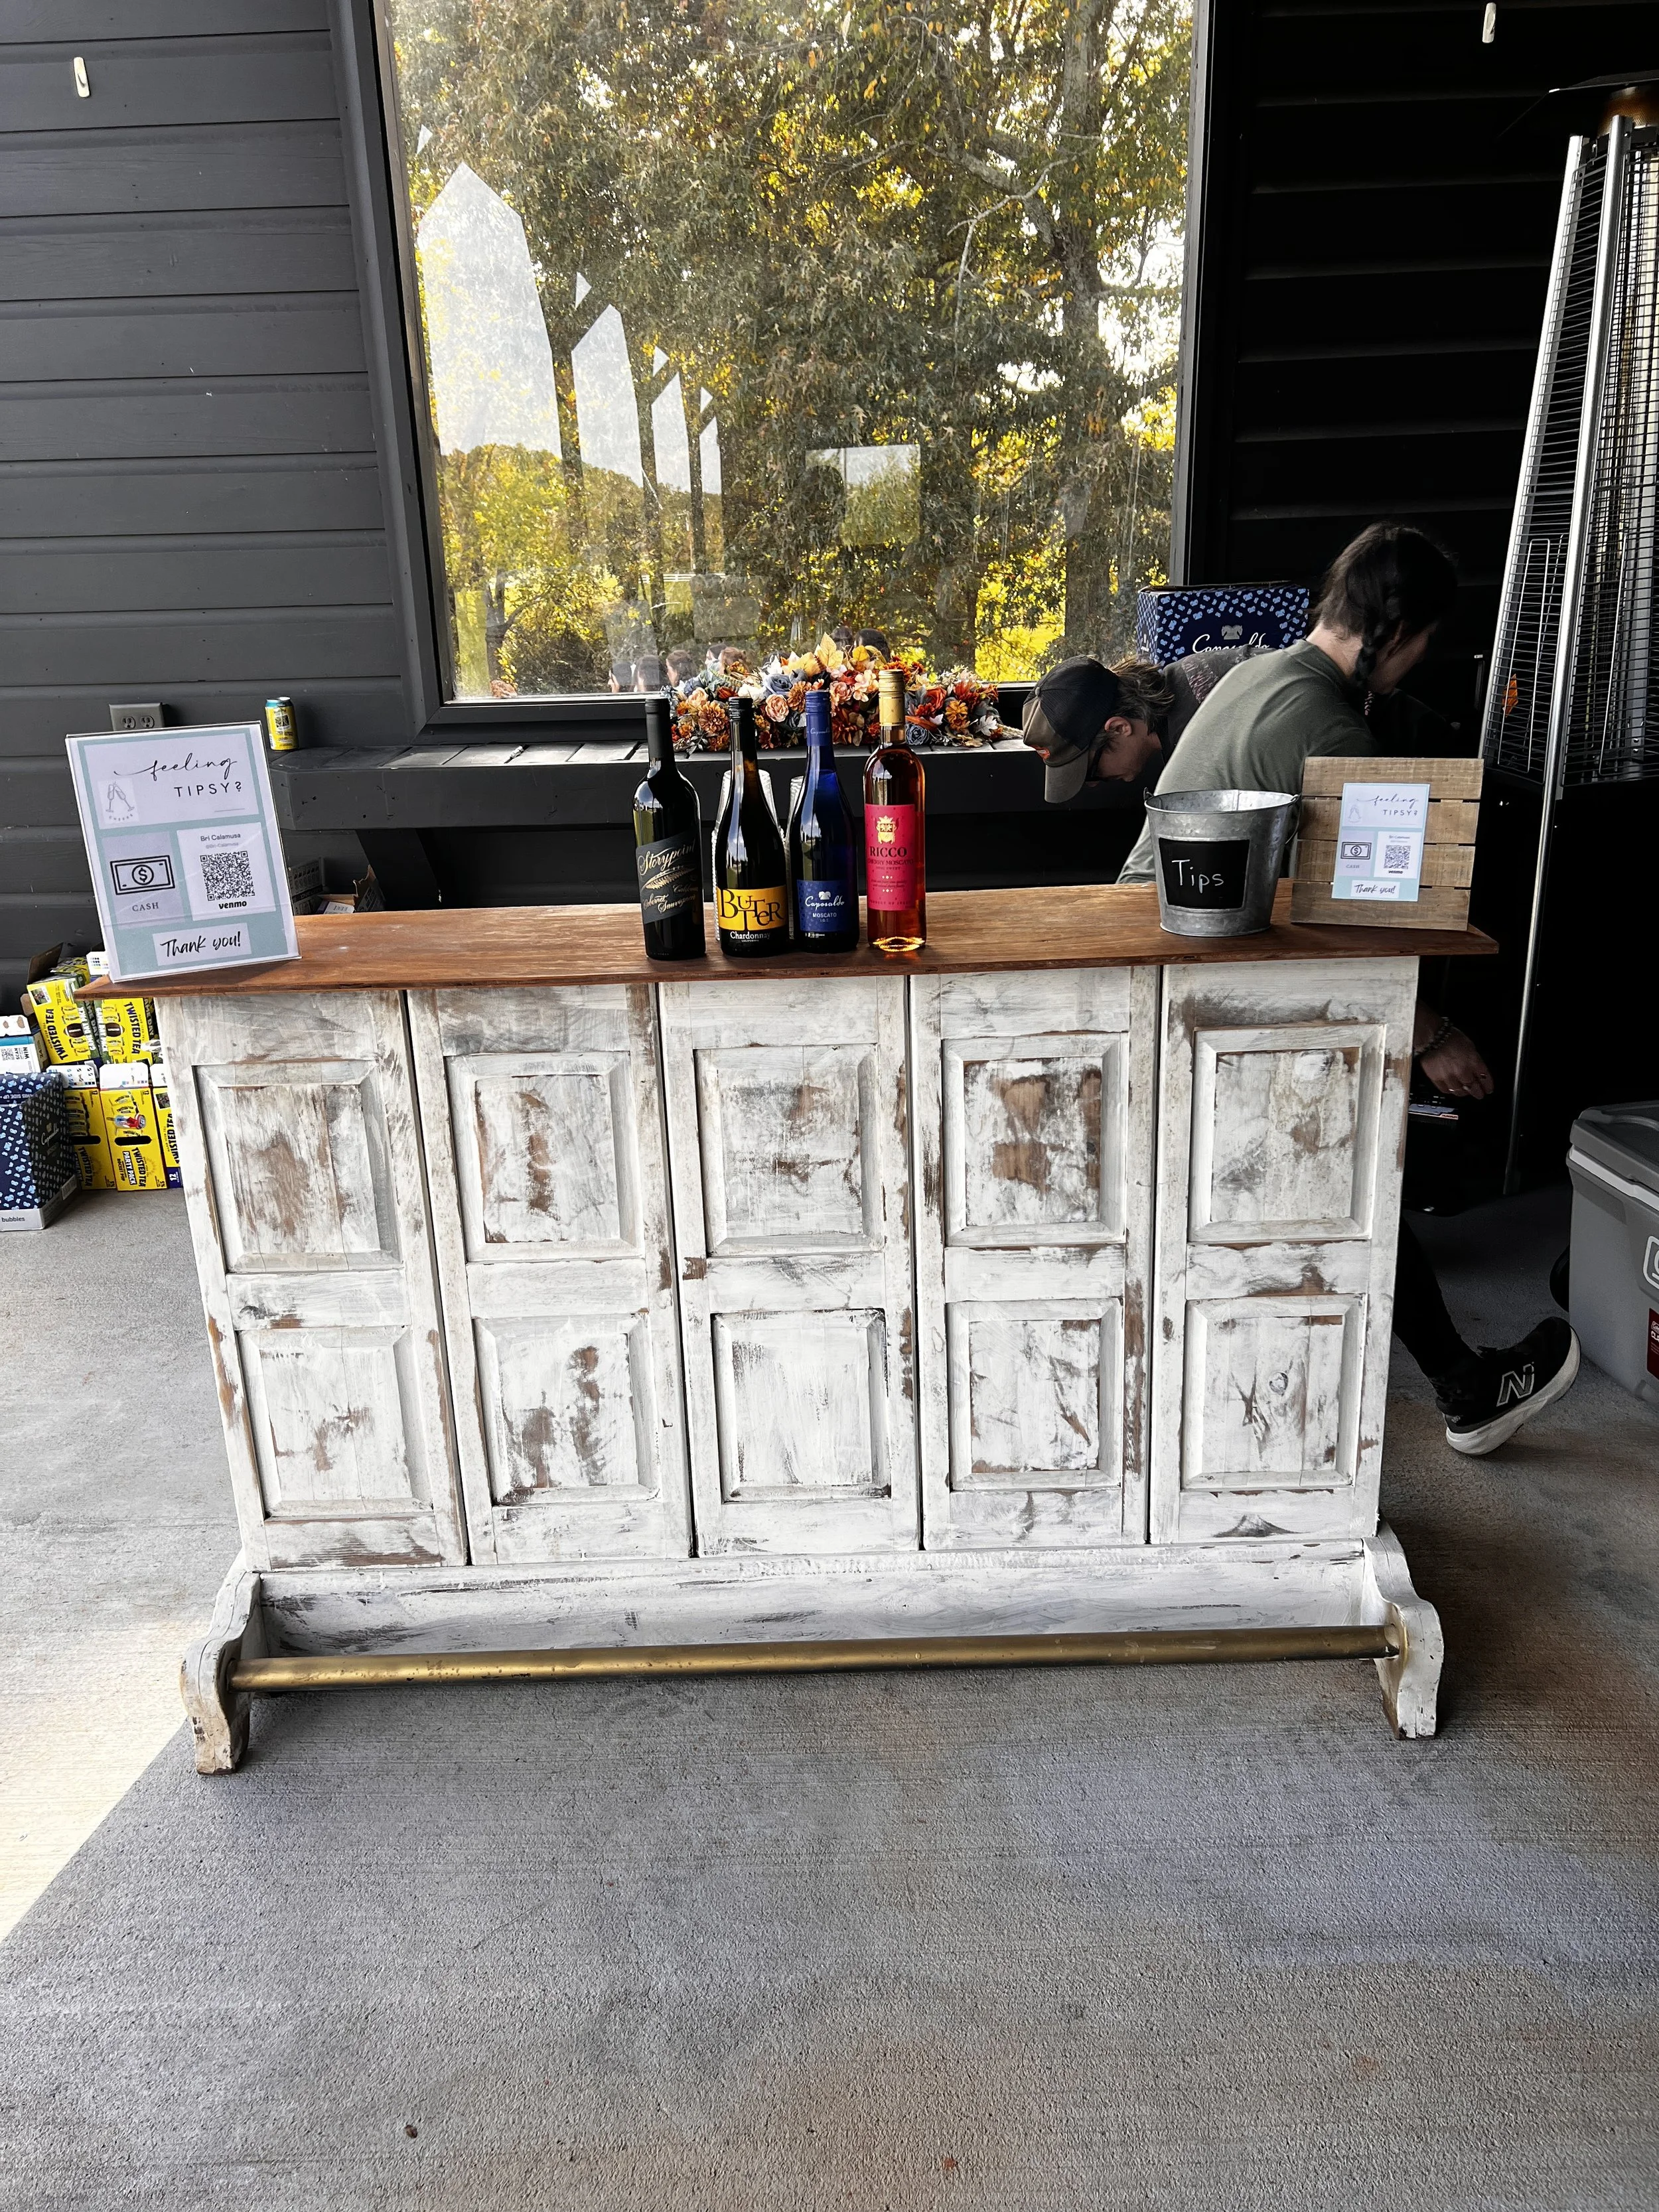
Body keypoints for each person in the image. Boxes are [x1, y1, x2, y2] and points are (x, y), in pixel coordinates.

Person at [1028, 523, 1580, 1456]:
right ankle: (1451, 1392)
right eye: (1423, 642)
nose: (1419, 661)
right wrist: (1434, 1035)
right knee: (1344, 1176)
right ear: (1397, 632)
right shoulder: (1331, 728)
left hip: (1145, 955)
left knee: (1309, 1185)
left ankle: (1403, 1391)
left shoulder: (1252, 675)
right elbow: (1368, 927)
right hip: (1179, 974)